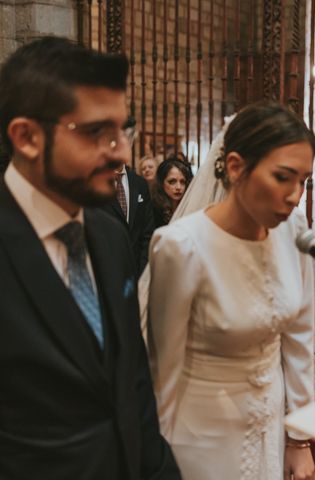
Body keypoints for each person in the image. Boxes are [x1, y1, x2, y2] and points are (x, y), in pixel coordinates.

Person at [0, 37, 179, 479]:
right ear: (26, 137)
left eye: (122, 132)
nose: (121, 152)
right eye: (97, 132)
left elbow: (132, 380)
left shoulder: (107, 235)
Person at [146, 101, 315, 480]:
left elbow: (300, 334)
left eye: (303, 181)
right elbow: (164, 371)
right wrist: (160, 458)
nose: (294, 195)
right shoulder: (180, 246)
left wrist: (299, 438)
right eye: (283, 177)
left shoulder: (293, 228)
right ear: (237, 167)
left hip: (269, 424)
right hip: (201, 434)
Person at [102, 159, 155, 278]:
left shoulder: (139, 183)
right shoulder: (97, 182)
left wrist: (143, 271)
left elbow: (147, 232)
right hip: (106, 268)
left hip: (137, 268)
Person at [151, 156, 192, 227]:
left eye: (182, 182)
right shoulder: (153, 211)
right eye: (172, 182)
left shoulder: (190, 207)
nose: (178, 187)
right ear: (161, 183)